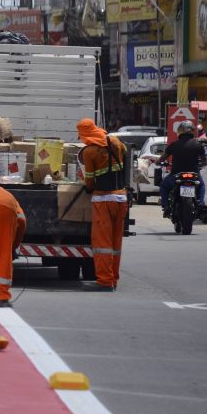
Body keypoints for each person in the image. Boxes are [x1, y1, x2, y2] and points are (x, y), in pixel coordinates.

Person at [77, 117, 128, 292]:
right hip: (121, 198)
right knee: (115, 243)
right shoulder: (114, 141)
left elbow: (89, 180)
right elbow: (125, 152)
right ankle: (113, 278)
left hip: (103, 199)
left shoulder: (89, 151)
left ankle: (105, 281)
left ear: (85, 134)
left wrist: (88, 188)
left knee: (103, 243)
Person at [157, 121, 207, 216]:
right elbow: (204, 160)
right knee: (201, 186)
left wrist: (157, 161)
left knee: (163, 185)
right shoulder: (198, 144)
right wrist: (204, 164)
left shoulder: (173, 144)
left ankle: (166, 205)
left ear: (179, 131)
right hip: (194, 175)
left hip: (176, 175)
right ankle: (201, 203)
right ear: (192, 131)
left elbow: (163, 157)